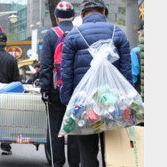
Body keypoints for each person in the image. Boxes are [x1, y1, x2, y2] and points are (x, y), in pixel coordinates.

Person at [60, 0, 132, 166]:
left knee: (87, 151)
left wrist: (67, 101)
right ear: (104, 12)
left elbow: (66, 73)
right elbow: (126, 72)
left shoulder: (73, 36)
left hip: (85, 103)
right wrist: (127, 100)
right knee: (113, 150)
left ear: (82, 15)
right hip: (113, 102)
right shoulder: (118, 33)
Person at [40, 1, 80, 167]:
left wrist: (44, 88)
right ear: (73, 17)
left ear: (56, 17)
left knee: (56, 129)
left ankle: (57, 163)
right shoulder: (79, 33)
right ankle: (74, 163)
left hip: (56, 90)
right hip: (76, 91)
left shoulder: (50, 35)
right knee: (74, 130)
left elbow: (46, 65)